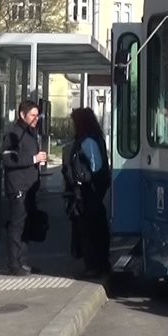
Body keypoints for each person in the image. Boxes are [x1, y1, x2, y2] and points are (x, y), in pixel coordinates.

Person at [63, 107, 111, 277]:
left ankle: (94, 265)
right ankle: (100, 263)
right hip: (93, 190)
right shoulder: (95, 138)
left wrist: (80, 180)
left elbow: (94, 167)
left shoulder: (87, 141)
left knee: (88, 229)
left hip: (87, 191)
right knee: (95, 228)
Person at [2, 99, 46, 276]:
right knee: (17, 226)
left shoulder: (30, 133)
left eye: (37, 115)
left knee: (26, 225)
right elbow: (8, 159)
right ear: (22, 115)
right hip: (18, 187)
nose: (36, 118)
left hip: (29, 187)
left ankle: (23, 261)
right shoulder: (14, 134)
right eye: (33, 115)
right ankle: (14, 264)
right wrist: (33, 159)